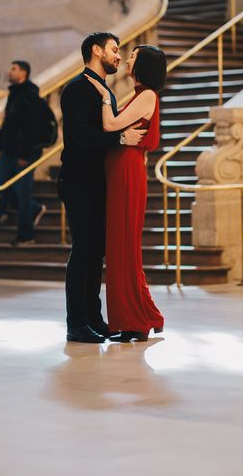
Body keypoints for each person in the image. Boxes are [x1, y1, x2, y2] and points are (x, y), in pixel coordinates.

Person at [58, 32, 148, 344]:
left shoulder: (103, 90)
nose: (118, 56)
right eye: (114, 50)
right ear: (96, 51)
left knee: (96, 253)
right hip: (79, 181)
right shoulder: (75, 89)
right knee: (83, 250)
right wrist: (120, 139)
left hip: (99, 181)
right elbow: (80, 135)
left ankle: (94, 317)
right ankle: (76, 323)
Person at [85, 44, 166, 342]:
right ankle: (141, 317)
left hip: (127, 173)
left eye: (132, 56)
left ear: (143, 64)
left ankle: (135, 322)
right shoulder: (140, 94)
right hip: (122, 170)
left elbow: (109, 124)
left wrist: (105, 96)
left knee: (123, 247)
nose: (127, 59)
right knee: (121, 248)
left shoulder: (146, 95)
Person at [0, 60, 46, 244]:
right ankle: (35, 208)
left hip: (24, 154)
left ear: (23, 72)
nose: (10, 71)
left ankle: (26, 236)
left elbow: (32, 128)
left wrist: (25, 154)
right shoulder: (13, 94)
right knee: (2, 186)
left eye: (14, 69)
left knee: (23, 194)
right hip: (8, 152)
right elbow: (7, 123)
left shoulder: (30, 95)